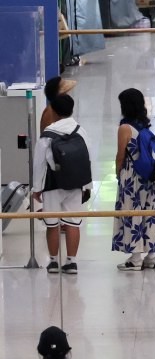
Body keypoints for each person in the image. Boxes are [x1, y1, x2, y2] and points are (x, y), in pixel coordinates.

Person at [33, 94, 91, 275]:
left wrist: (36, 189)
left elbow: (39, 163)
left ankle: (52, 262)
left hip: (53, 183)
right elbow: (87, 159)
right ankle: (71, 262)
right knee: (73, 223)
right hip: (75, 182)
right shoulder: (80, 130)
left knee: (52, 223)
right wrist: (87, 185)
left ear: (54, 112)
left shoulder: (48, 134)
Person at [113, 88, 155, 271]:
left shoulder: (125, 128)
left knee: (131, 213)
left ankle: (135, 258)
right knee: (148, 214)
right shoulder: (144, 126)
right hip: (147, 177)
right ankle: (151, 256)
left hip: (131, 177)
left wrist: (118, 174)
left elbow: (120, 156)